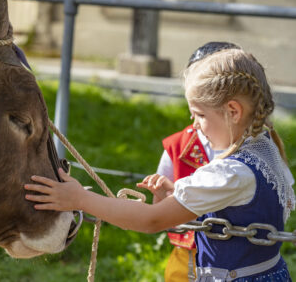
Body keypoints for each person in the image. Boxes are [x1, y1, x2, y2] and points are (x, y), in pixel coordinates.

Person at [25, 47, 295, 281]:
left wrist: (80, 198)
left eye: (199, 115)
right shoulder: (266, 149)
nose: (195, 125)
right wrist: (177, 199)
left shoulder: (231, 172)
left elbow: (151, 220)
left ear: (233, 111)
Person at [157, 42, 241, 282]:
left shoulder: (257, 150)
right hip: (187, 258)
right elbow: (158, 210)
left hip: (239, 258)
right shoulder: (177, 146)